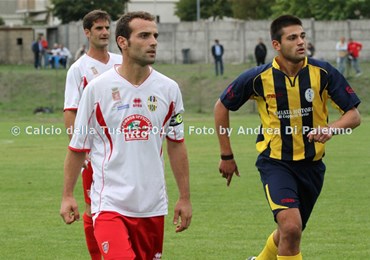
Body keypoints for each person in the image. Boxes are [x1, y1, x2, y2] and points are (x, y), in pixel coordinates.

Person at [214, 15, 361, 260]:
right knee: (291, 227)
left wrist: (331, 128)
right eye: (292, 38)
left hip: (312, 167)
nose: (301, 42)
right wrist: (226, 155)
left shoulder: (323, 72)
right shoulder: (258, 77)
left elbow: (354, 115)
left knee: (291, 230)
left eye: (302, 36)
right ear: (277, 45)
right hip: (276, 163)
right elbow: (222, 106)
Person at [60, 11, 192, 260]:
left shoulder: (169, 89)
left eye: (155, 35)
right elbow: (78, 147)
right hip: (110, 204)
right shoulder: (97, 89)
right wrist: (67, 195)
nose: (153, 41)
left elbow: (176, 144)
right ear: (123, 42)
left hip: (152, 206)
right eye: (143, 35)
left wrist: (185, 198)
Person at [62, 10, 122, 260]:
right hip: (96, 151)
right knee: (93, 206)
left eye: (107, 28)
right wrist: (81, 149)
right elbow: (71, 111)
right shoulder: (79, 69)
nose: (105, 32)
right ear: (87, 33)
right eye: (98, 28)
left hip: (124, 146)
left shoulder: (121, 61)